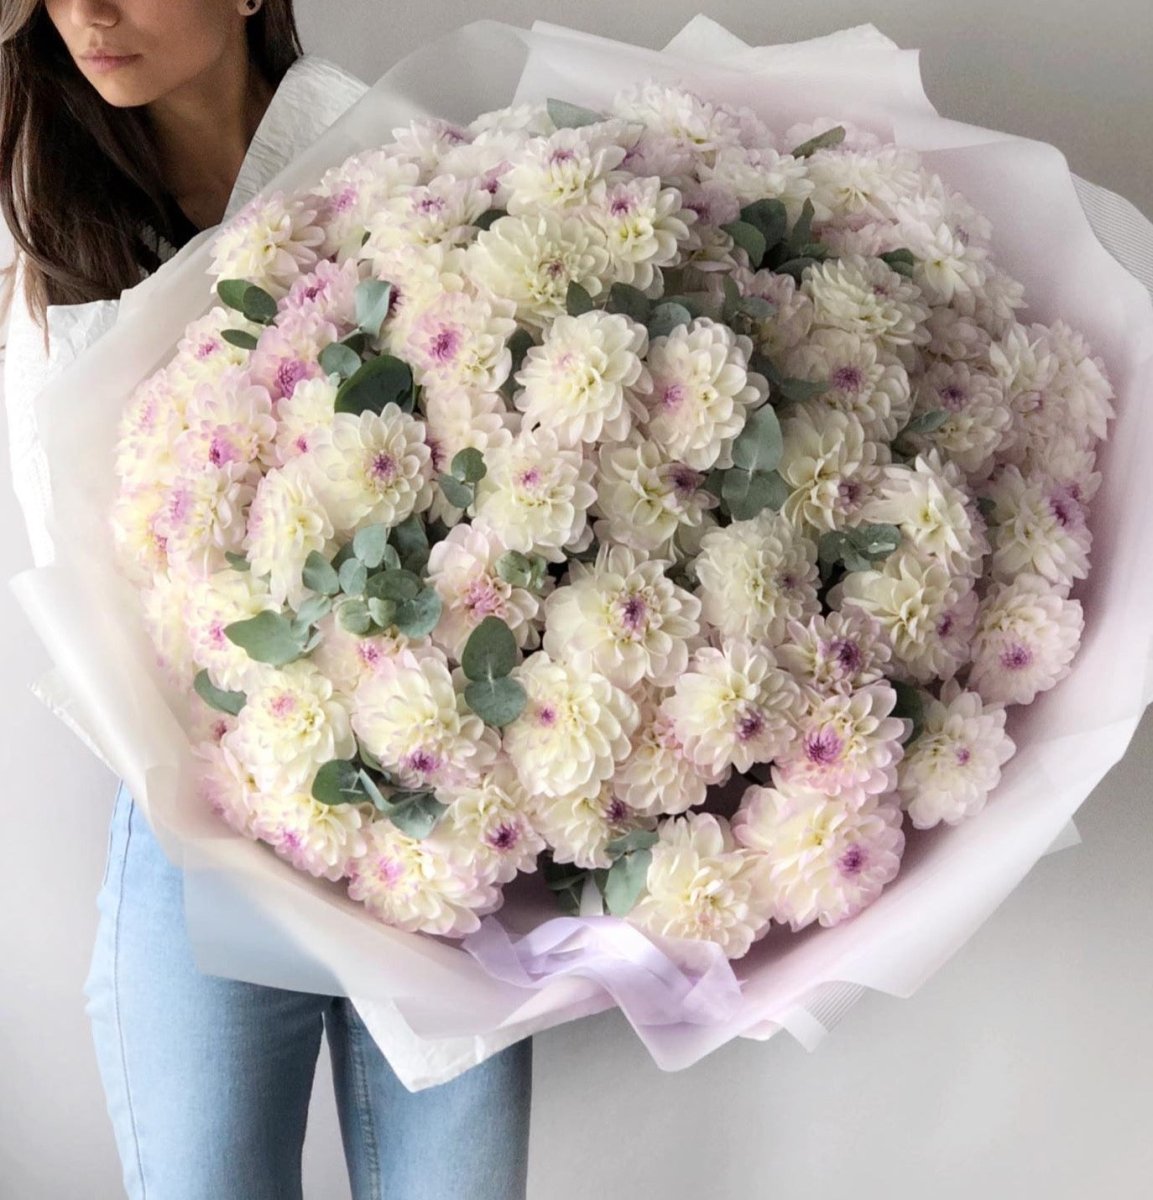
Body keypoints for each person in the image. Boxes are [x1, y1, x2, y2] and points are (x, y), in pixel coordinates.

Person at [0, 2, 533, 1198]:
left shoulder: (401, 163)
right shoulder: (38, 211)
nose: (86, 13)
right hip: (194, 813)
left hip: (426, 810)